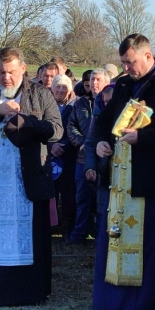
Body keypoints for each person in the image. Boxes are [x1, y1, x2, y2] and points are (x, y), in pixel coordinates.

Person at [91, 33, 155, 310]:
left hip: (154, 182)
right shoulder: (122, 84)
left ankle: (150, 303)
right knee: (118, 243)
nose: (126, 68)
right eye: (123, 63)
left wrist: (142, 139)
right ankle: (115, 302)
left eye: (130, 62)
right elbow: (104, 120)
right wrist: (100, 142)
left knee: (152, 249)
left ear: (148, 56)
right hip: (121, 182)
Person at [0, 47, 63, 306]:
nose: (6, 77)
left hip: (30, 180)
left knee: (32, 236)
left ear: (23, 69)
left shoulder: (39, 93)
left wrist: (27, 122)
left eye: (11, 72)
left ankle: (32, 292)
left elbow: (56, 130)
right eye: (1, 72)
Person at [67, 68, 110, 244]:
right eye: (92, 80)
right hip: (82, 158)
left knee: (103, 201)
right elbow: (71, 126)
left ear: (107, 82)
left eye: (98, 80)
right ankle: (79, 234)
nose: (94, 83)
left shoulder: (112, 103)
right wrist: (82, 141)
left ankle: (102, 235)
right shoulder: (80, 103)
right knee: (82, 198)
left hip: (105, 159)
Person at [49, 74, 78, 239]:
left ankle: (68, 229)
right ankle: (51, 228)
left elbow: (76, 130)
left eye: (64, 87)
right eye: (57, 86)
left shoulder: (74, 108)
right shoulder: (46, 107)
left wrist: (64, 146)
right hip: (48, 158)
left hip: (68, 159)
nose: (60, 90)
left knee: (68, 197)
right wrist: (51, 146)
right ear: (52, 89)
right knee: (50, 196)